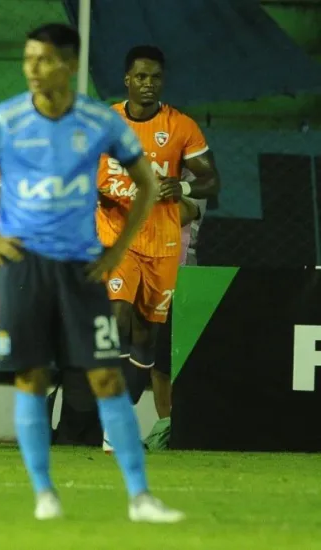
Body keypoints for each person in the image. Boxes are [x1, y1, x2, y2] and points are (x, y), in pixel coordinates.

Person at [0, 23, 184, 522]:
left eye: (43, 60)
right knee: (32, 375)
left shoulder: (97, 120)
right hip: (24, 268)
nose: (32, 69)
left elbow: (145, 182)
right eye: (28, 59)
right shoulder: (4, 120)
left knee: (105, 376)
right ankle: (44, 492)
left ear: (68, 66)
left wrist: (119, 251)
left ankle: (139, 496)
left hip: (81, 269)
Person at [96, 45, 219, 430]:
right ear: (127, 80)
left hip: (162, 240)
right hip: (117, 235)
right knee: (117, 315)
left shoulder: (180, 126)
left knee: (146, 337)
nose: (149, 84)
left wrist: (179, 189)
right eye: (141, 77)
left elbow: (211, 180)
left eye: (155, 78)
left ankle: (122, 411)